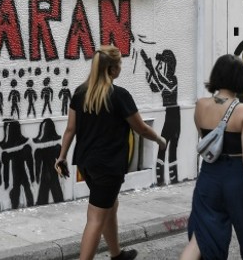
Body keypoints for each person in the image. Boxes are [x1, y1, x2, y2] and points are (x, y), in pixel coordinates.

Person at [56, 45, 168, 260]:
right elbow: (141, 127)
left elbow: (70, 129)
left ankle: (117, 255)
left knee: (109, 205)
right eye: (120, 64)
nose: (121, 68)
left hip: (87, 164)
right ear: (113, 69)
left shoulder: (80, 93)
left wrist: (61, 157)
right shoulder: (119, 95)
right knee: (96, 217)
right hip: (108, 167)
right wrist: (159, 139)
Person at [180, 54, 243, 260]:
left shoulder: (201, 105)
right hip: (237, 179)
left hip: (208, 176)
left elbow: (207, 141)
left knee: (201, 237)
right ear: (240, 79)